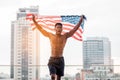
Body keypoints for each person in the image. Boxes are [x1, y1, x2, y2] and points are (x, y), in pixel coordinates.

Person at [32, 15, 84, 80]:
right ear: (55, 28)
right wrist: (34, 21)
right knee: (53, 76)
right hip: (52, 60)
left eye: (60, 27)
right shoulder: (51, 35)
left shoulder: (65, 36)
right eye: (58, 27)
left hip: (60, 60)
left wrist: (80, 21)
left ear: (62, 29)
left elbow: (74, 29)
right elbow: (41, 29)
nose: (59, 29)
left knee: (59, 78)